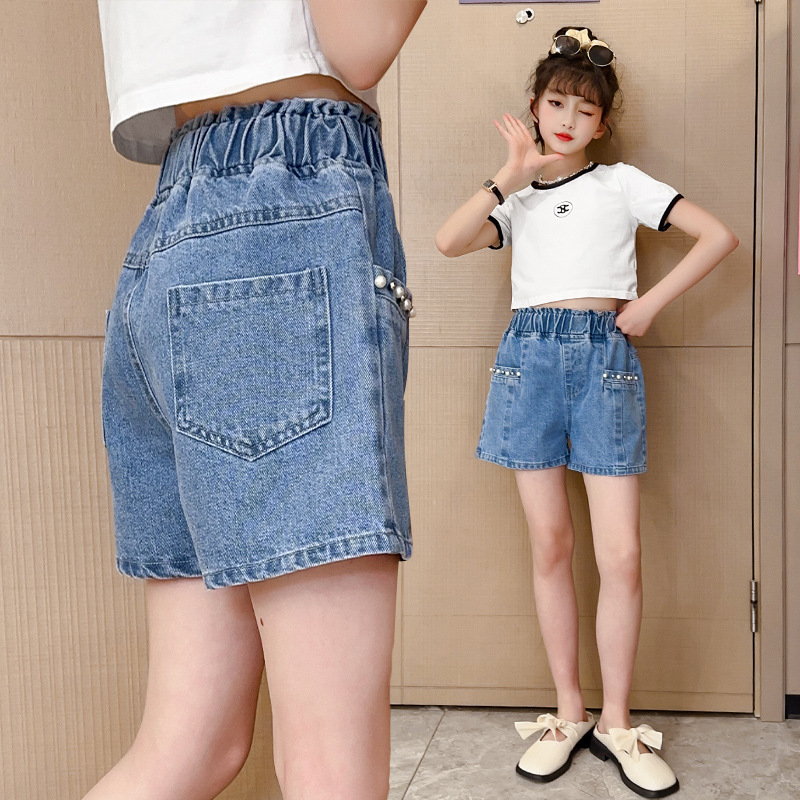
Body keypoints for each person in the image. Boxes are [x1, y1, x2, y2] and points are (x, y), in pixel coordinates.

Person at [87, 2, 426, 799]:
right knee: (329, 769)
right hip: (286, 214)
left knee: (187, 747)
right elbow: (361, 43)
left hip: (173, 229)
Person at [436, 26, 738, 799]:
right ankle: (567, 711)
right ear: (534, 108)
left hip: (605, 359)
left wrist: (649, 305)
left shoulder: (621, 183)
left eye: (585, 109)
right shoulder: (517, 198)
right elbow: (448, 241)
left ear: (603, 124)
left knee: (622, 554)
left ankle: (617, 721)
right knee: (550, 544)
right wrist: (509, 174)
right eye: (556, 103)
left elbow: (718, 236)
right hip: (528, 361)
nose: (569, 118)